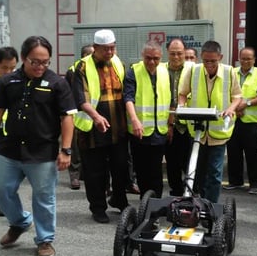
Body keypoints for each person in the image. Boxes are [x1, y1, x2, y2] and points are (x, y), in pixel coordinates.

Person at [0, 36, 76, 256]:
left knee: (43, 197)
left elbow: (67, 118)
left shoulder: (58, 83)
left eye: (45, 62)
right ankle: (19, 223)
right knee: (0, 189)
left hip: (42, 153)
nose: (40, 67)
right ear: (23, 58)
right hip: (10, 150)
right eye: (35, 62)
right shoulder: (8, 82)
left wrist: (66, 150)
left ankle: (45, 240)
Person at [73, 29, 130, 223]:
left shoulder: (118, 63)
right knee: (95, 171)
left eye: (112, 48)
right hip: (92, 129)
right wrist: (96, 117)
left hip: (118, 127)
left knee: (121, 166)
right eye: (105, 49)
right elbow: (81, 99)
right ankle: (98, 208)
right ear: (95, 48)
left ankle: (119, 199)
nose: (110, 52)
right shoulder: (80, 68)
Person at [178, 40, 242, 203]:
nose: (209, 64)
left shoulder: (229, 72)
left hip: (218, 132)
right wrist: (181, 106)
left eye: (213, 61)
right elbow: (183, 93)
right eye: (206, 61)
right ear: (201, 58)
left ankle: (211, 206)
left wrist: (231, 108)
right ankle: (195, 203)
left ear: (220, 57)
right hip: (198, 130)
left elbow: (237, 96)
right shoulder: (193, 71)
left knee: (214, 172)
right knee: (194, 171)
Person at [124, 41, 171, 198]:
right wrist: (135, 120)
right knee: (142, 171)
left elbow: (170, 99)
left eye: (156, 58)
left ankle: (155, 204)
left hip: (159, 132)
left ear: (161, 57)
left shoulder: (165, 71)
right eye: (148, 58)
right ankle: (145, 202)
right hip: (140, 132)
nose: (152, 62)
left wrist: (170, 123)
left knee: (156, 172)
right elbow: (128, 98)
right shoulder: (133, 72)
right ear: (142, 56)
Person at [225, 47, 257, 194]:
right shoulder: (232, 72)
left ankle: (254, 184)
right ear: (239, 58)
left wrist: (246, 103)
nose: (245, 61)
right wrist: (237, 107)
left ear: (254, 59)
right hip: (234, 120)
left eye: (249, 58)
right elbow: (227, 93)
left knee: (253, 154)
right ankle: (235, 181)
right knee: (233, 152)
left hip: (252, 121)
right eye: (243, 58)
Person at [0, 47, 19, 216]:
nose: (9, 72)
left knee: (7, 172)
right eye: (5, 68)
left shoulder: (16, 80)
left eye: (12, 68)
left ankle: (1, 203)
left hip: (11, 132)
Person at [164, 39, 193, 196]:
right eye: (172, 53)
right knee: (172, 163)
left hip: (189, 124)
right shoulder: (161, 70)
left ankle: (191, 194)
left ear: (184, 53)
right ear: (167, 53)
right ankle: (175, 193)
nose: (176, 57)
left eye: (179, 53)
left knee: (191, 163)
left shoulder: (193, 70)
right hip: (169, 124)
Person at [65, 44, 94, 190]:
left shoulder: (97, 69)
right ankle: (74, 175)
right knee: (75, 147)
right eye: (89, 54)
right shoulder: (73, 70)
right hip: (77, 115)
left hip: (94, 116)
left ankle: (84, 173)